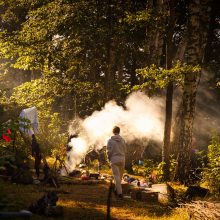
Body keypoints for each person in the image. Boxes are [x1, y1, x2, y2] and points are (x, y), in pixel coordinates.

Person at [107, 126, 126, 198]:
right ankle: (116, 190)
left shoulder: (110, 140)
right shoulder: (123, 140)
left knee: (117, 177)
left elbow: (109, 152)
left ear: (113, 132)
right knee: (120, 178)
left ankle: (120, 193)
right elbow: (125, 150)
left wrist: (109, 159)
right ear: (119, 131)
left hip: (114, 159)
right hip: (122, 159)